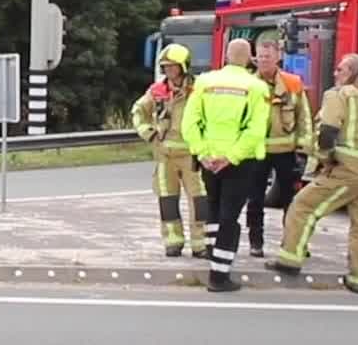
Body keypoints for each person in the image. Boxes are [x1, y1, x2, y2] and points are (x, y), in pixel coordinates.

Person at [270, 53, 358, 295]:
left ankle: (290, 259)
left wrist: (325, 159)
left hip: (347, 167)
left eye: (340, 69)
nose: (335, 73)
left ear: (352, 72)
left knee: (303, 207)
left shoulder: (338, 95)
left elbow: (328, 131)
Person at [182, 37, 271, 292]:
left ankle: (213, 252)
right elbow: (256, 130)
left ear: (226, 56)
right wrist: (230, 157)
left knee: (213, 206)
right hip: (239, 162)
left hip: (209, 159)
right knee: (229, 217)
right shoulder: (257, 87)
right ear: (250, 58)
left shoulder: (204, 82)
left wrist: (202, 153)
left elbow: (189, 123)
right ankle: (219, 275)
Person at [129, 43, 209, 258]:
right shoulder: (157, 91)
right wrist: (149, 133)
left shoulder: (199, 89)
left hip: (193, 155)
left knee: (200, 201)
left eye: (173, 66)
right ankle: (173, 241)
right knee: (167, 201)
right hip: (165, 156)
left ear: (184, 67)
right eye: (165, 66)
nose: (169, 70)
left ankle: (200, 244)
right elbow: (138, 112)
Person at [244, 33, 314, 258]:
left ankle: (293, 243)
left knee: (291, 202)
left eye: (268, 56)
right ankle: (256, 242)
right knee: (255, 200)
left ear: (278, 57)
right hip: (257, 152)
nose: (263, 60)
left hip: (287, 153)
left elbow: (304, 118)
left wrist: (303, 150)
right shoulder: (248, 84)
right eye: (260, 56)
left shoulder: (293, 83)